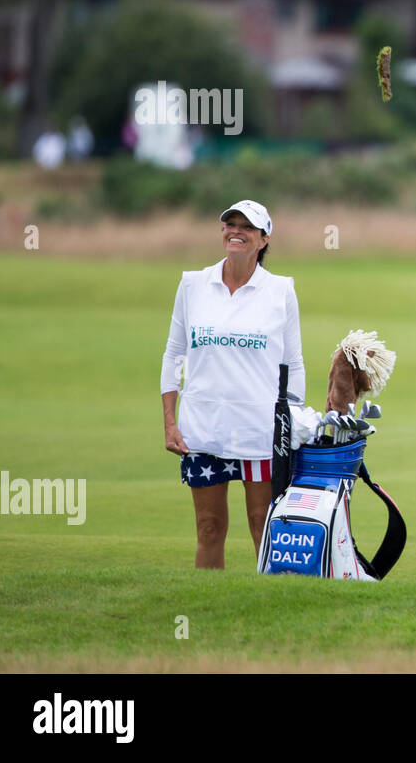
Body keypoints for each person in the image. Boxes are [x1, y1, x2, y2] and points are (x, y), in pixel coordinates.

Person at [160, 199, 305, 569]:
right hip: (203, 427)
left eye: (247, 226)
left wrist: (294, 422)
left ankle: (269, 607)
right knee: (208, 527)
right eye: (230, 224)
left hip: (259, 429)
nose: (236, 231)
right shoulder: (193, 284)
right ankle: (210, 609)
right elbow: (174, 353)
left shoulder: (280, 290)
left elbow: (293, 362)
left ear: (263, 238)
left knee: (263, 525)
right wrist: (170, 422)